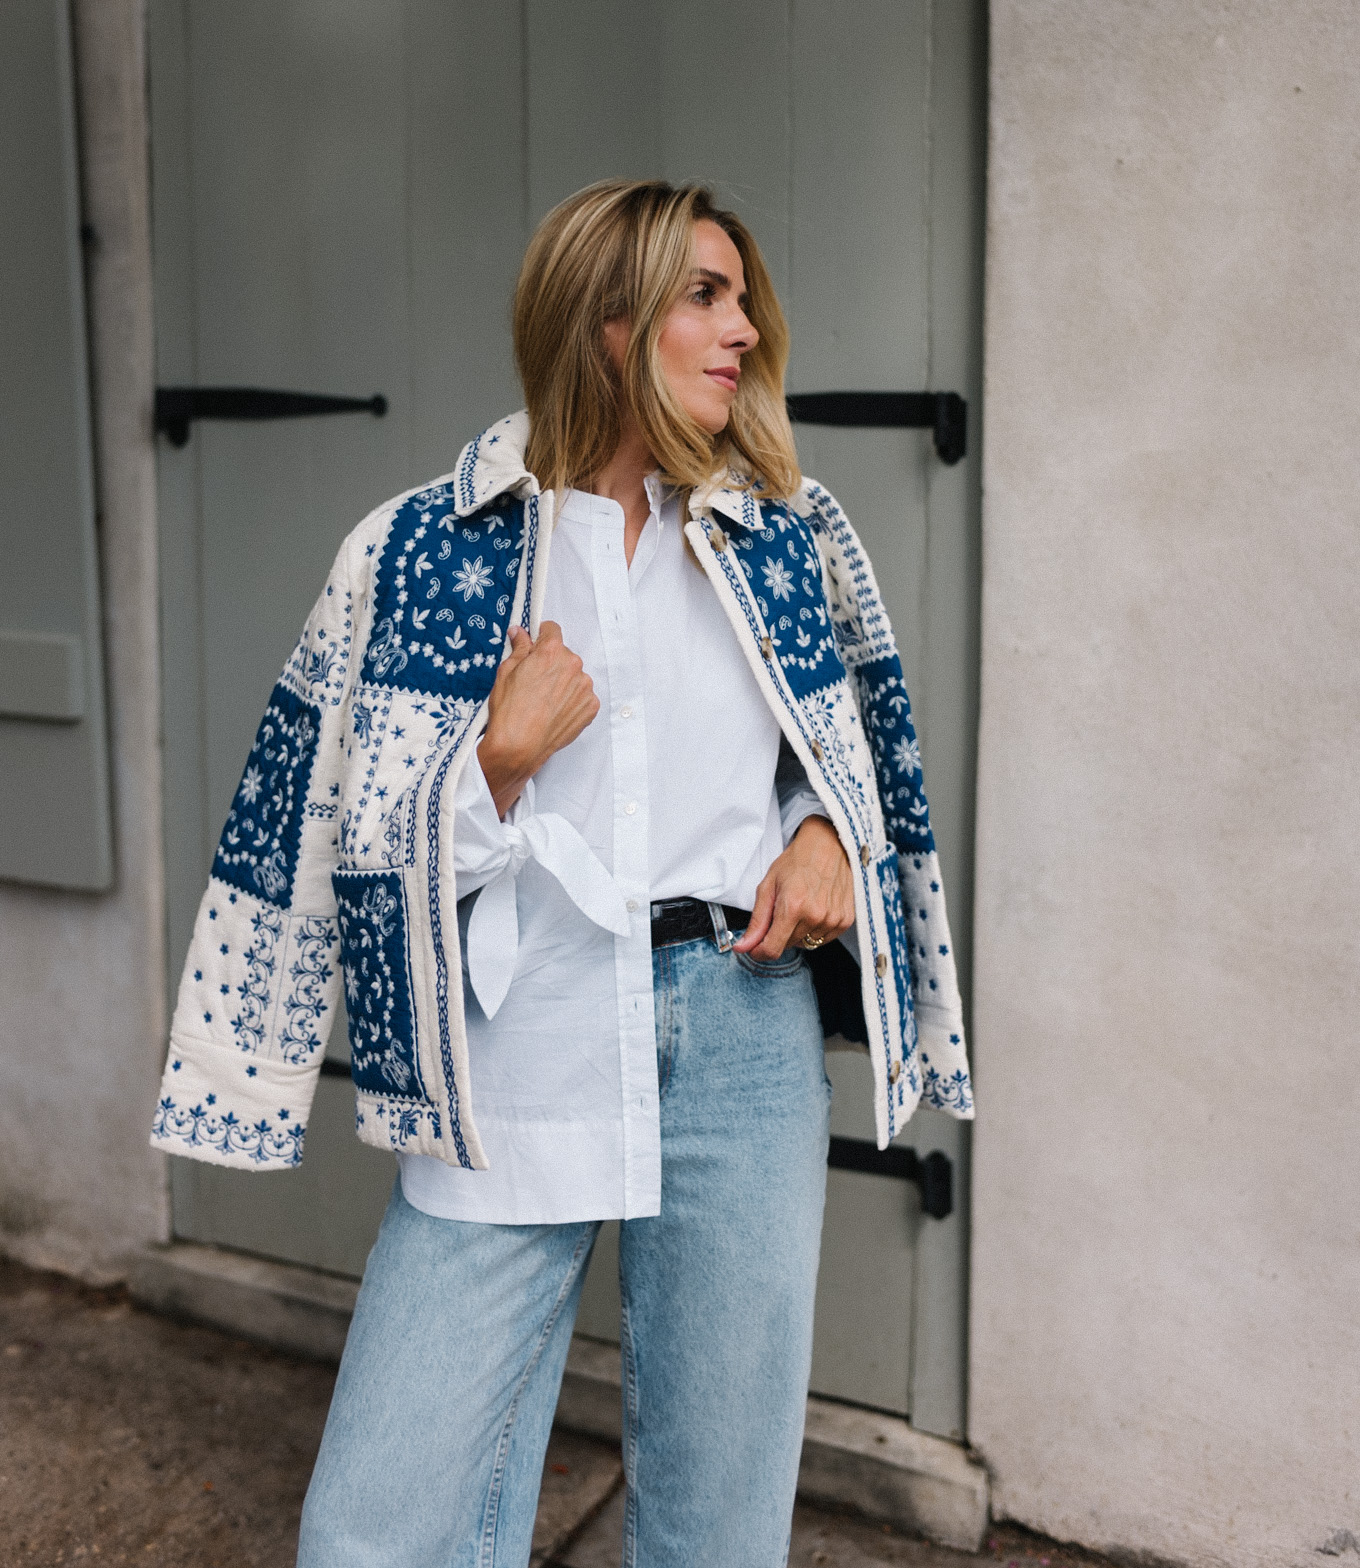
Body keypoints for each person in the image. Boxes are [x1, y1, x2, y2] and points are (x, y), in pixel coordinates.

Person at [151, 179, 972, 1568]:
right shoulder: (424, 549)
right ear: (606, 320)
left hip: (742, 1023)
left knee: (718, 1520)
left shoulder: (788, 533)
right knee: (379, 1529)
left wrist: (826, 838)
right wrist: (496, 762)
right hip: (517, 1040)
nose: (745, 327)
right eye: (703, 296)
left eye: (742, 294)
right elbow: (326, 832)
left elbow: (847, 757)